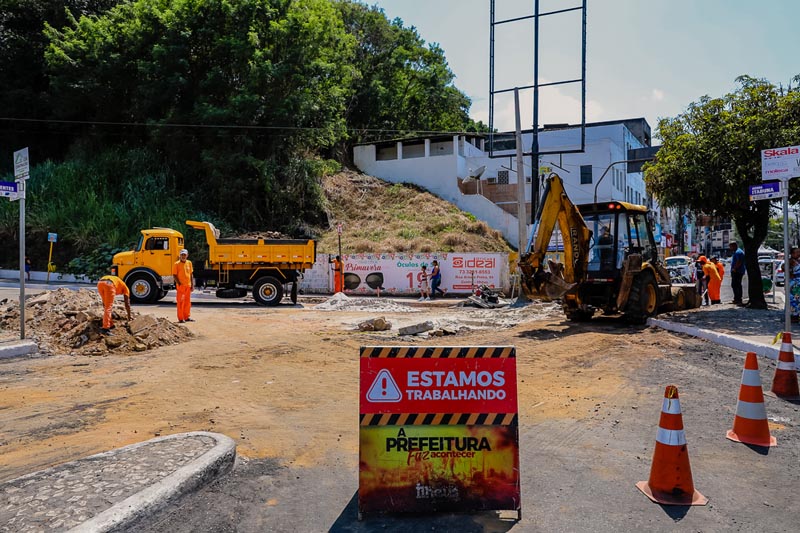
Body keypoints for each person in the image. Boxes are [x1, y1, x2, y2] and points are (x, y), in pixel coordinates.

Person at [173, 248, 194, 323]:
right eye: (182, 255)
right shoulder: (176, 264)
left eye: (184, 255)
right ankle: (181, 318)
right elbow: (174, 275)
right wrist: (179, 283)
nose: (183, 256)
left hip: (188, 285)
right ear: (180, 256)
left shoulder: (189, 263)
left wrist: (192, 284)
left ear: (187, 255)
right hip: (181, 286)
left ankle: (186, 316)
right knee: (181, 302)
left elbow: (191, 274)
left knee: (187, 302)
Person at [789, 247, 800, 323]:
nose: (798, 253)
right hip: (794, 283)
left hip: (798, 282)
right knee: (794, 300)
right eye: (797, 252)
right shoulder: (791, 261)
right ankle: (793, 316)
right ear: (792, 254)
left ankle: (797, 315)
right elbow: (784, 268)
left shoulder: (798, 261)